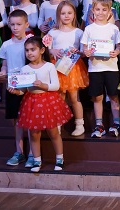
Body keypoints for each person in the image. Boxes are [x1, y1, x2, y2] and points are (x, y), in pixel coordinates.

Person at [13, 37, 74, 172]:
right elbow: (23, 90)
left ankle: (59, 158)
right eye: (27, 50)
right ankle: (37, 160)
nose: (29, 53)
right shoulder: (24, 69)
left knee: (53, 131)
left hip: (48, 101)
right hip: (31, 102)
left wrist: (42, 85)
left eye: (32, 49)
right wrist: (15, 91)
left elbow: (56, 86)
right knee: (34, 133)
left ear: (41, 50)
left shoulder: (49, 66)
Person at [81, 0, 120, 138]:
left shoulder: (113, 28)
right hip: (95, 68)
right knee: (97, 97)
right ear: (93, 11)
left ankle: (116, 123)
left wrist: (116, 51)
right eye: (98, 9)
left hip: (111, 68)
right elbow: (84, 48)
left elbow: (119, 46)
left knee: (113, 96)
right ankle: (99, 125)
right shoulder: (88, 29)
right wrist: (86, 52)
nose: (100, 12)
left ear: (110, 12)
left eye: (104, 10)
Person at [46, 1, 88, 137]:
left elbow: (83, 52)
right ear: (58, 15)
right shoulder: (53, 32)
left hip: (73, 68)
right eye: (63, 13)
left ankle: (80, 124)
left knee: (74, 97)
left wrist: (78, 52)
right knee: (59, 98)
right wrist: (52, 51)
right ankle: (58, 124)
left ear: (74, 14)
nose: (66, 16)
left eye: (69, 13)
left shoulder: (79, 32)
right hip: (57, 68)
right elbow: (46, 50)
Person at [0, 10, 34, 168]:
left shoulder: (30, 43)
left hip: (29, 87)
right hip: (13, 87)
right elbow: (5, 65)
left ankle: (33, 153)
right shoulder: (6, 45)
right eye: (12, 24)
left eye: (19, 24)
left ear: (26, 25)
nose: (15, 27)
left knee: (31, 120)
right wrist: (3, 72)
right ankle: (19, 152)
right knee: (18, 121)